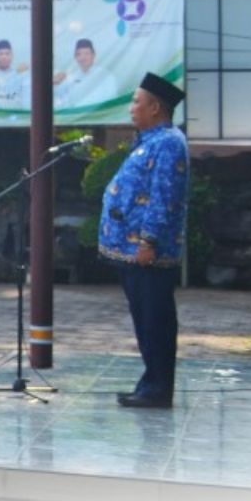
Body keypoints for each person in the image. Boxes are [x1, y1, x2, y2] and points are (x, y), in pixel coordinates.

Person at [101, 74, 191, 409]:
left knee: (155, 320)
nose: (131, 108)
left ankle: (156, 389)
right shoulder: (151, 139)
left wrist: (147, 241)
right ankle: (150, 384)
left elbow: (163, 197)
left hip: (148, 252)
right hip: (132, 248)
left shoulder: (168, 142)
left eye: (137, 101)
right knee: (146, 320)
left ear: (155, 108)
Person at [55, 37, 118, 113]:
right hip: (75, 119)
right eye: (79, 54)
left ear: (93, 55)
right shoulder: (71, 78)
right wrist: (55, 82)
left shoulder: (106, 76)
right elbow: (60, 98)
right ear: (75, 57)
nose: (83, 58)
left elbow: (111, 102)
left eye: (86, 53)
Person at [0, 39, 31, 124]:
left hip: (14, 118)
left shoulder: (20, 74)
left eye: (7, 54)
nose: (4, 57)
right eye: (0, 54)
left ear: (12, 56)